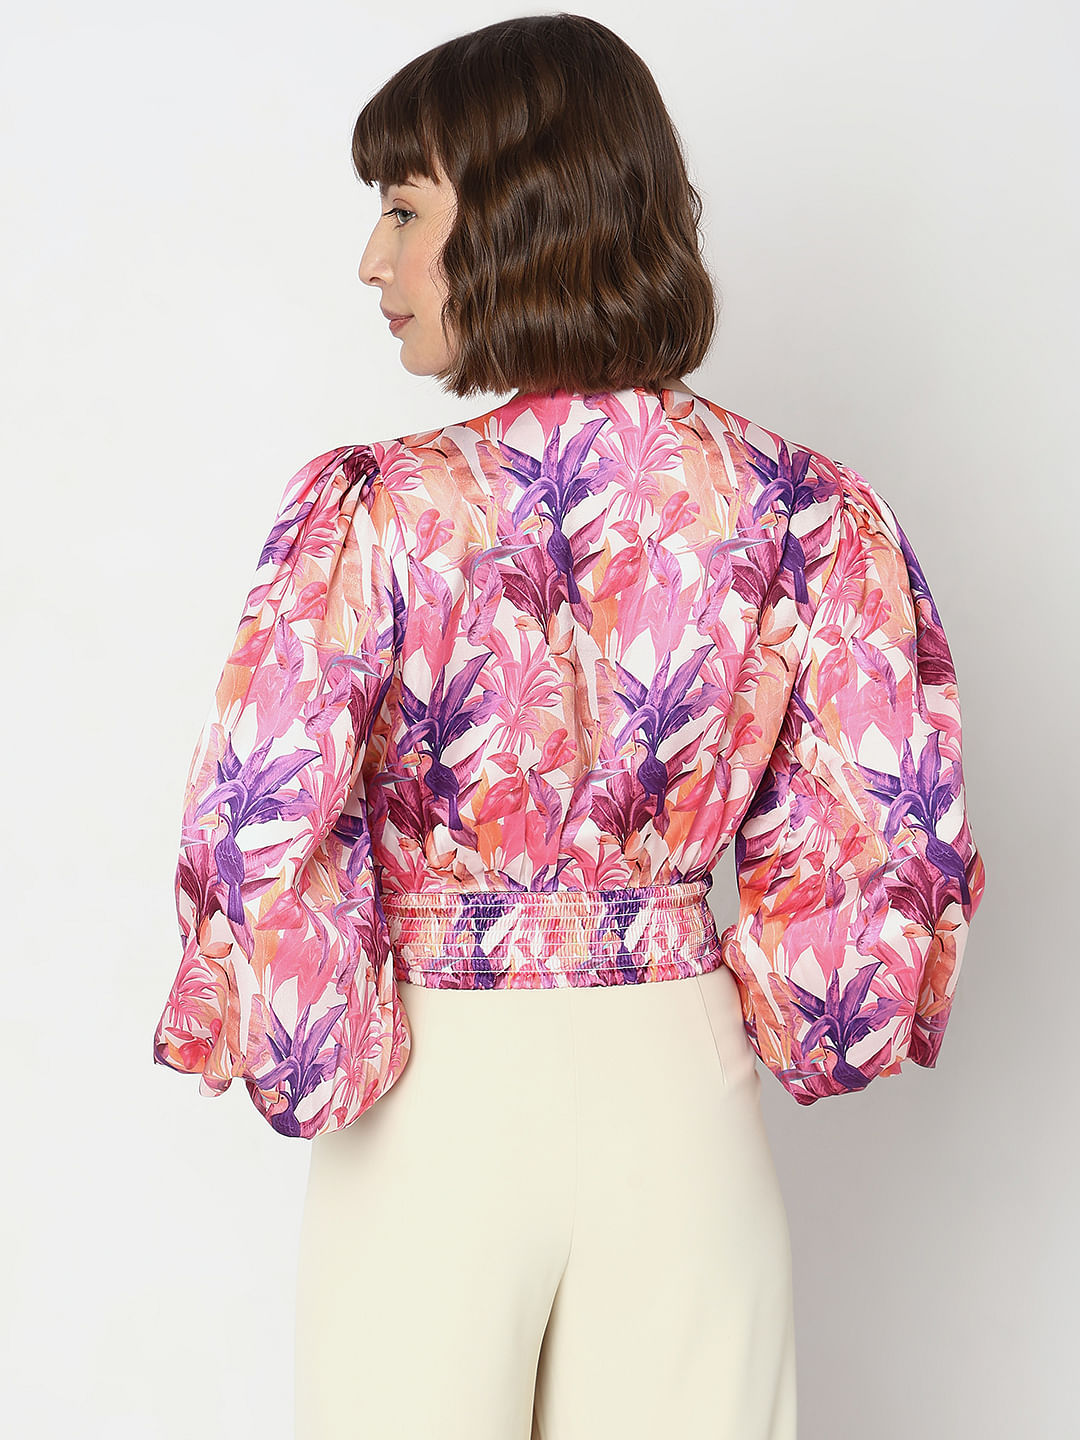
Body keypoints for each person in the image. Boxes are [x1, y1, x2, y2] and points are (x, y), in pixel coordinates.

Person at [151, 13, 986, 1440]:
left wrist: (321, 1037)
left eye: (403, 209)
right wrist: (775, 1005)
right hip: (680, 1091)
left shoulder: (382, 515)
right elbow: (879, 843)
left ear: (518, 212)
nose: (372, 261)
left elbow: (260, 827)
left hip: (435, 1097)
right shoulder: (807, 516)